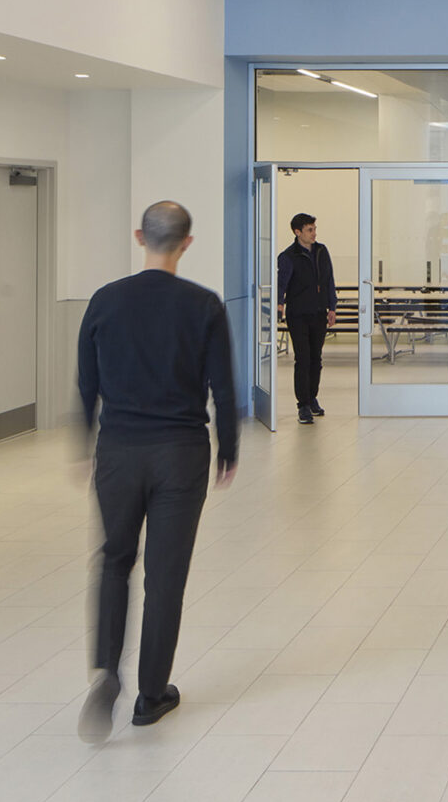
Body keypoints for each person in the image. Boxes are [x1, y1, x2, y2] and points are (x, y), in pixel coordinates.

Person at [77, 201, 238, 740]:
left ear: (139, 236)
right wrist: (228, 447)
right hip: (179, 451)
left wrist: (84, 442)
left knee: (115, 560)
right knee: (166, 575)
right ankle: (151, 694)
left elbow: (86, 382)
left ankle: (106, 672)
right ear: (187, 242)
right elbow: (222, 386)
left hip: (119, 451)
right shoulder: (203, 306)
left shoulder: (105, 301)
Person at [277, 212, 338, 424]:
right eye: (309, 230)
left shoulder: (322, 251)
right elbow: (281, 284)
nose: (314, 233)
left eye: (314, 229)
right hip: (298, 315)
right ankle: (302, 404)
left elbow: (329, 279)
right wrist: (279, 305)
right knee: (302, 359)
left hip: (319, 313)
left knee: (316, 358)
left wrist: (332, 306)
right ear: (297, 232)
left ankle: (312, 397)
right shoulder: (288, 256)